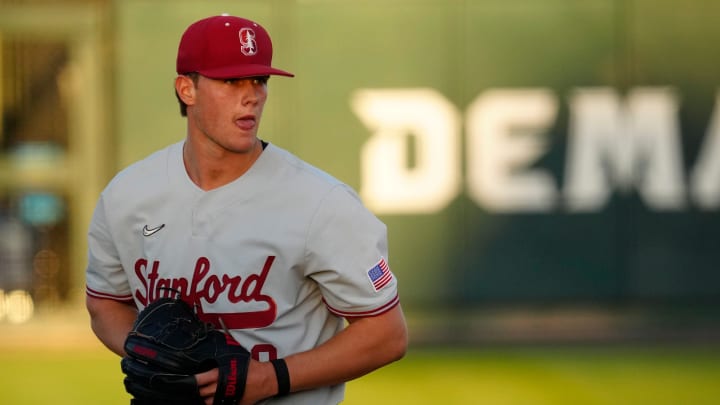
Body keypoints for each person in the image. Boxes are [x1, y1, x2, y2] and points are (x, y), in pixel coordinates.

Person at [85, 14, 408, 405]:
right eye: (231, 80)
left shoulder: (321, 203)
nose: (252, 94)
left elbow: (387, 334)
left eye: (259, 80)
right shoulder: (127, 194)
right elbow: (105, 301)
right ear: (187, 89)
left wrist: (270, 379)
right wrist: (153, 357)